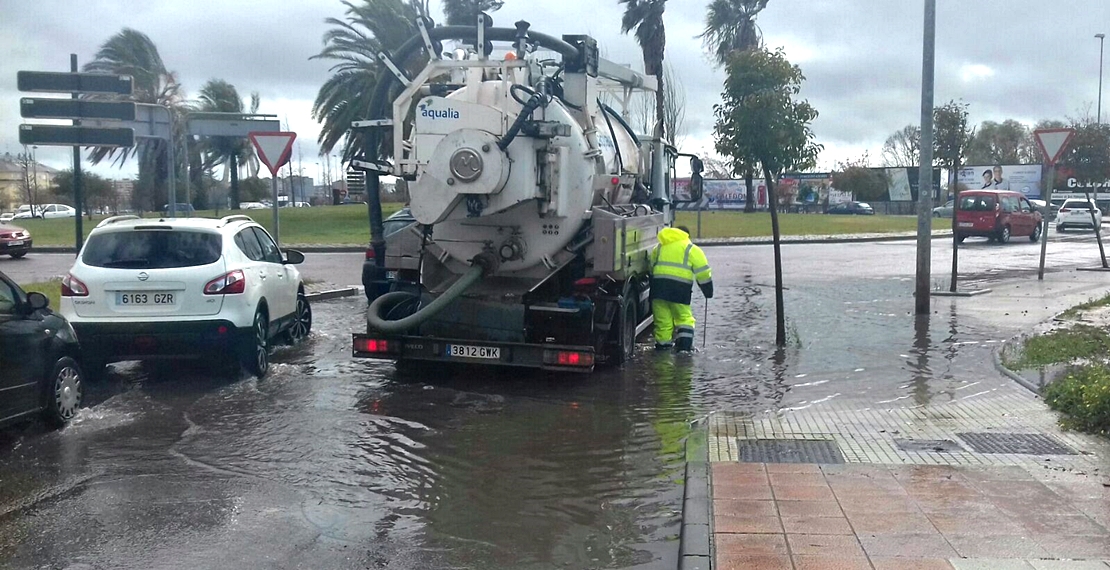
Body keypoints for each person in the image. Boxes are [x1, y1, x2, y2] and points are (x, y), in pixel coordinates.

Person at [650, 225, 713, 352]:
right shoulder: (691, 248)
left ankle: (663, 349)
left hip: (658, 289)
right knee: (684, 318)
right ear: (687, 235)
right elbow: (703, 272)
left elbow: (651, 267)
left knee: (663, 322)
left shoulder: (659, 247)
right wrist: (707, 290)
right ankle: (684, 349)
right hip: (679, 289)